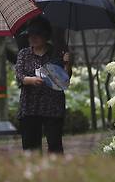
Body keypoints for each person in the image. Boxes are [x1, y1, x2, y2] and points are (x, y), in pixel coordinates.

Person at [14, 15, 72, 153]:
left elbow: (65, 80)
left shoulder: (56, 53)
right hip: (30, 106)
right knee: (31, 148)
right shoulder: (24, 54)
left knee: (55, 146)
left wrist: (67, 63)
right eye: (30, 35)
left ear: (45, 36)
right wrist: (31, 80)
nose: (32, 38)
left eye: (37, 35)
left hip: (52, 105)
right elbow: (19, 75)